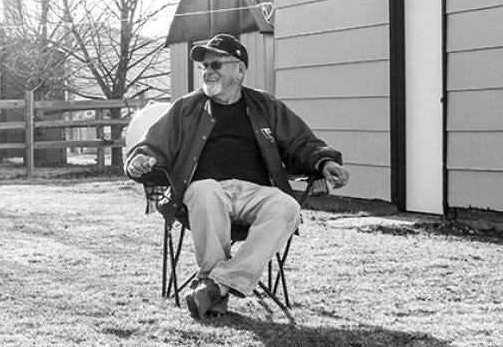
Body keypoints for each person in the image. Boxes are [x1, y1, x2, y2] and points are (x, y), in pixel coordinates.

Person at [125, 33, 350, 319]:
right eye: (204, 66)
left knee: (287, 206)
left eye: (216, 64)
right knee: (205, 190)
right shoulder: (187, 108)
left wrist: (325, 161)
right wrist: (141, 158)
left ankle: (214, 285)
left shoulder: (265, 106)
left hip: (254, 194)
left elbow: (301, 143)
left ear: (240, 70)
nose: (208, 71)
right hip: (205, 192)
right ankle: (218, 287)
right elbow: (153, 145)